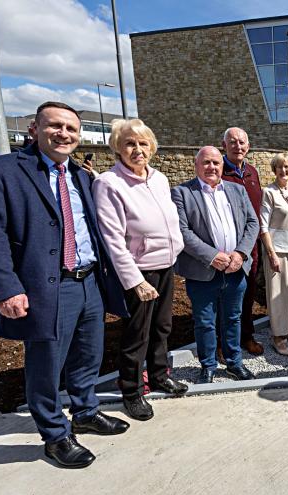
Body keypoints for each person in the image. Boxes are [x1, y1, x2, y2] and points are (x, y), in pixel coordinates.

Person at [0, 101, 129, 468]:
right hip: (47, 287)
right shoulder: (1, 171)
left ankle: (86, 411)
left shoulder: (80, 176)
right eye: (55, 126)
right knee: (46, 364)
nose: (64, 134)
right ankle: (55, 434)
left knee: (88, 354)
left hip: (89, 280)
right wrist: (6, 288)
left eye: (71, 129)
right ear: (34, 129)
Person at [92, 118, 188, 422]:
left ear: (151, 147)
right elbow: (113, 240)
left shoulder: (158, 178)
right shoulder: (109, 183)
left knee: (162, 327)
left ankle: (159, 375)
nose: (137, 150)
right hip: (141, 272)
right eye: (130, 144)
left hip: (165, 265)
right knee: (137, 334)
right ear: (118, 148)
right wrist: (135, 281)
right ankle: (131, 392)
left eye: (143, 143)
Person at [171, 146, 260, 382]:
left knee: (233, 318)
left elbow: (253, 223)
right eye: (206, 163)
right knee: (204, 322)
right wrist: (213, 256)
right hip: (202, 271)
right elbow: (182, 231)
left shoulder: (238, 190)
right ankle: (208, 366)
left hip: (236, 268)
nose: (211, 167)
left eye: (216, 163)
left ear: (222, 166)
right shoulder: (182, 193)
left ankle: (234, 363)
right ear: (196, 165)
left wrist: (240, 254)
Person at [222, 127, 264, 356]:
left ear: (248, 146)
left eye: (242, 142)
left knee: (248, 294)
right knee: (225, 297)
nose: (238, 146)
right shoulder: (218, 172)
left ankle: (246, 337)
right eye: (233, 142)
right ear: (224, 145)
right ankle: (222, 342)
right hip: (227, 247)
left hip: (252, 247)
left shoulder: (252, 172)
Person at [259, 152, 288, 356]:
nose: (284, 170)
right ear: (274, 170)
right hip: (278, 250)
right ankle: (278, 337)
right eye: (280, 167)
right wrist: (271, 254)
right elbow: (263, 226)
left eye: (287, 167)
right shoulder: (269, 192)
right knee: (278, 295)